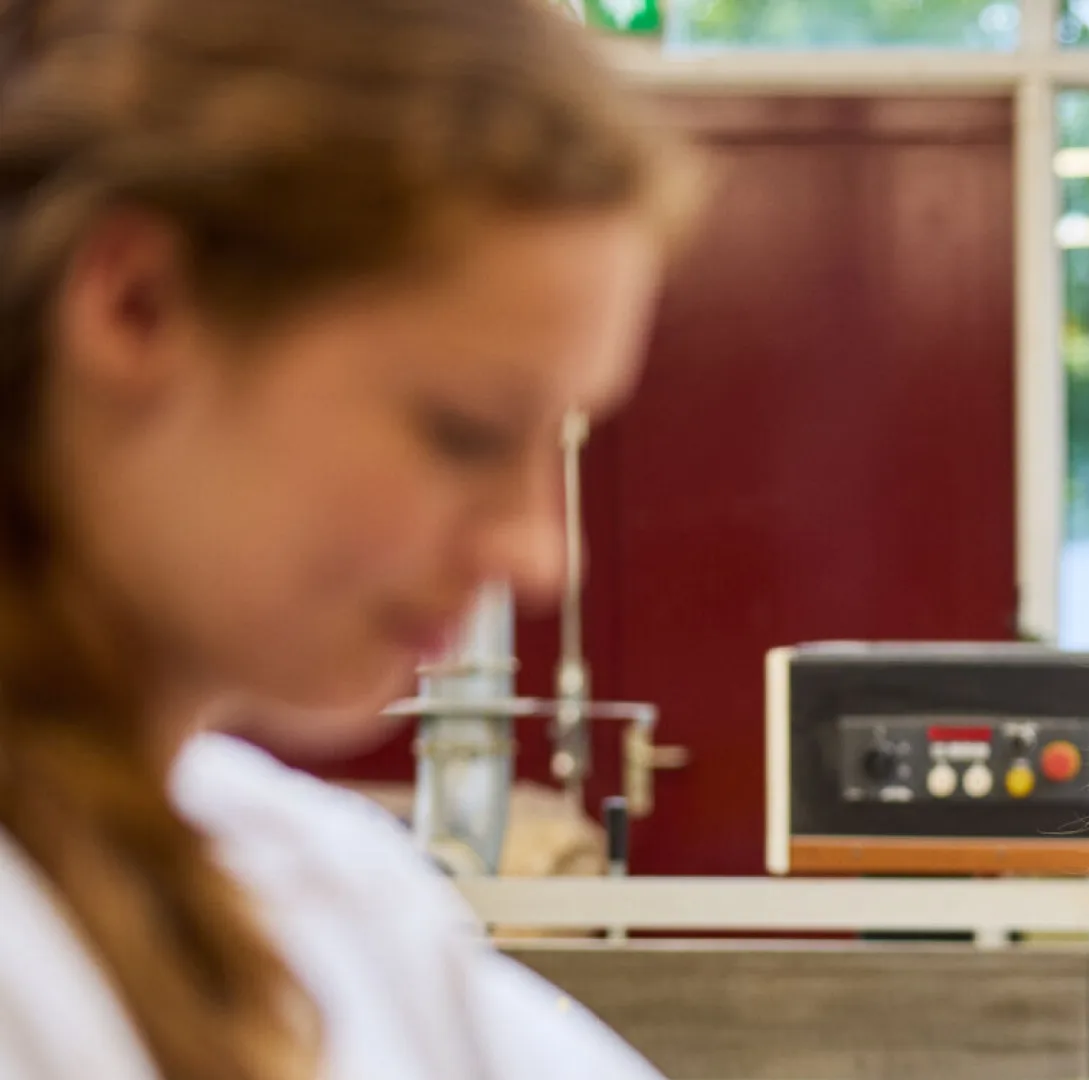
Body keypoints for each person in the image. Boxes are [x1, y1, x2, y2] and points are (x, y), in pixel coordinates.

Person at [0, 0, 697, 1076]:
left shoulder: (313, 886)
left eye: (554, 440)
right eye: (463, 432)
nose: (538, 555)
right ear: (137, 303)